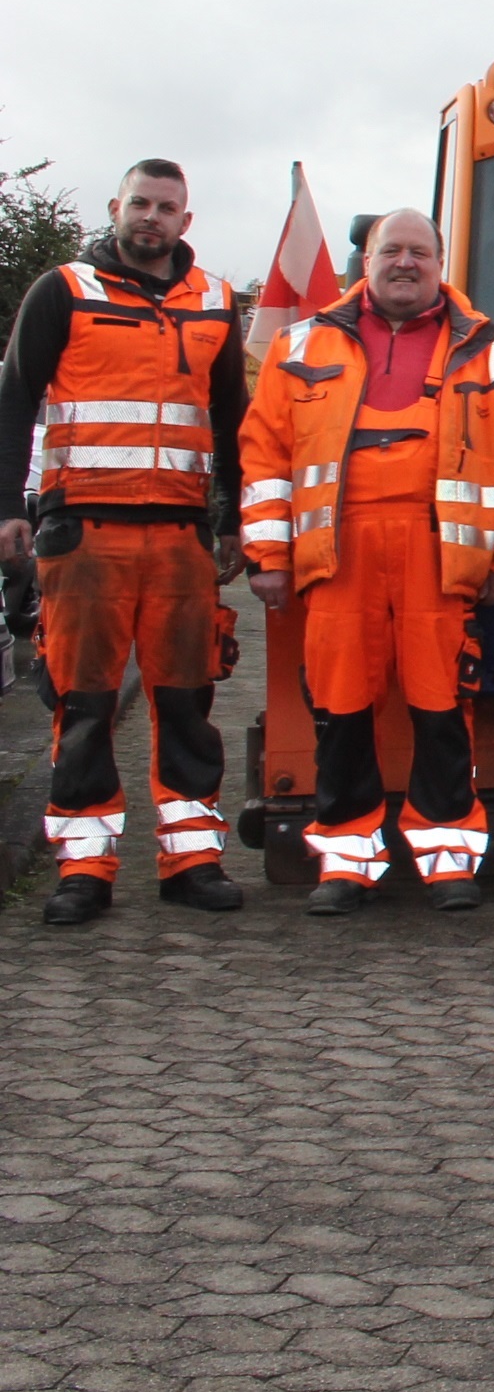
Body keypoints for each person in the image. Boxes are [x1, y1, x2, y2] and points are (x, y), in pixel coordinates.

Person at [237, 208, 494, 914]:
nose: (405, 263)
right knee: (341, 711)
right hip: (337, 555)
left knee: (442, 709)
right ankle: (345, 863)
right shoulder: (299, 345)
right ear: (367, 261)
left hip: (441, 556)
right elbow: (265, 458)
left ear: (440, 263)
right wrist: (268, 556)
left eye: (419, 252)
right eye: (391, 251)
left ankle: (448, 860)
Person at [0, 160, 250, 923]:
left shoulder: (215, 302)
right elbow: (13, 398)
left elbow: (233, 420)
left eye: (166, 207)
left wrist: (234, 519)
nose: (151, 217)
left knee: (188, 703)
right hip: (82, 533)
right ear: (116, 207)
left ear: (186, 221)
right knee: (84, 704)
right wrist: (7, 507)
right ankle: (84, 869)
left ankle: (193, 861)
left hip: (180, 538)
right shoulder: (64, 290)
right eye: (140, 203)